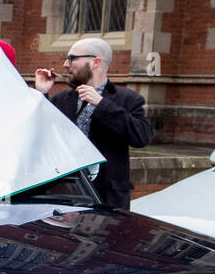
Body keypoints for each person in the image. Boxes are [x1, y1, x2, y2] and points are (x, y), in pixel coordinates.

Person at [34, 38, 154, 210]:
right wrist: (42, 94)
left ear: (96, 62)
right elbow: (38, 135)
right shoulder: (62, 99)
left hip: (107, 200)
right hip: (62, 196)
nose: (66, 64)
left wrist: (101, 104)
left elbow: (142, 137)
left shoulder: (127, 99)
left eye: (72, 58)